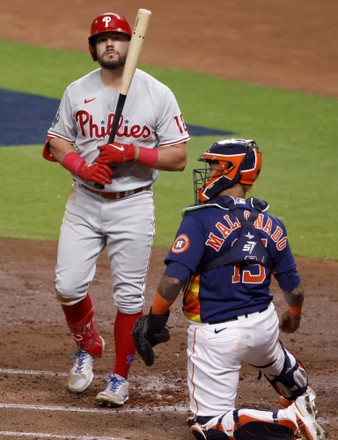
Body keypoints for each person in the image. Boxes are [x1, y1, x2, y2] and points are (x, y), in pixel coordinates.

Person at [42, 12, 190, 406]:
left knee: (128, 298)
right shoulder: (77, 90)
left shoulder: (157, 93)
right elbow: (57, 140)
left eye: (118, 38)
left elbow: (178, 157)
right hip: (84, 202)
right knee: (68, 286)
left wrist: (132, 151)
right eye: (102, 39)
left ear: (131, 44)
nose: (110, 44)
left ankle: (118, 379)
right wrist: (83, 166)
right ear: (93, 49)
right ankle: (87, 342)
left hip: (133, 204)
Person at [134, 139, 326, 439]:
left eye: (213, 167)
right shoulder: (272, 222)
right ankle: (301, 392)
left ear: (230, 170)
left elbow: (172, 280)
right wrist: (294, 315)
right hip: (265, 325)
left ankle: (289, 422)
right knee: (270, 355)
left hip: (217, 337)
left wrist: (155, 319)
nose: (208, 173)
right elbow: (296, 291)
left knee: (208, 426)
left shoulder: (199, 219)